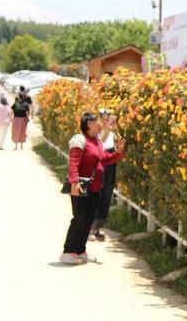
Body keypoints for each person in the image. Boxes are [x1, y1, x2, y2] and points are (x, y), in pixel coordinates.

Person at [60, 112, 125, 265]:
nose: (100, 124)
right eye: (98, 122)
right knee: (79, 219)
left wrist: (119, 152)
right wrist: (74, 182)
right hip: (81, 187)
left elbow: (105, 160)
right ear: (89, 124)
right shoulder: (80, 140)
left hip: (95, 188)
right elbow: (73, 163)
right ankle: (68, 251)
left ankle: (80, 250)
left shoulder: (96, 142)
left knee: (88, 220)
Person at [89, 110, 119, 241]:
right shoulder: (95, 131)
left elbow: (119, 143)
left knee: (107, 193)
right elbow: (96, 146)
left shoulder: (112, 130)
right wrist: (106, 131)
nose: (106, 121)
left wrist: (116, 130)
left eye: (108, 119)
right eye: (103, 118)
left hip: (110, 161)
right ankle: (91, 227)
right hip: (99, 161)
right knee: (97, 193)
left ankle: (98, 227)